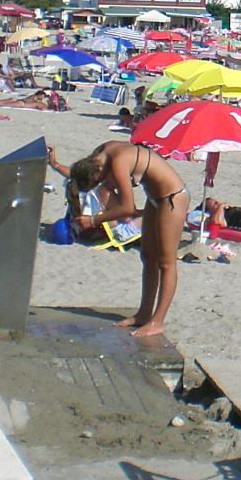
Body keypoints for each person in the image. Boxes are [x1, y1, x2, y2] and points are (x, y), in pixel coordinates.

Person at [49, 139, 188, 337]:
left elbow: (127, 208)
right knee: (148, 258)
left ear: (97, 173)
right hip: (154, 199)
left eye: (98, 182)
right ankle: (143, 314)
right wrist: (54, 164)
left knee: (166, 263)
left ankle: (157, 322)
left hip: (173, 198)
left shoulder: (117, 161)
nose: (103, 184)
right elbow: (78, 175)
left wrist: (93, 220)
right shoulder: (99, 155)